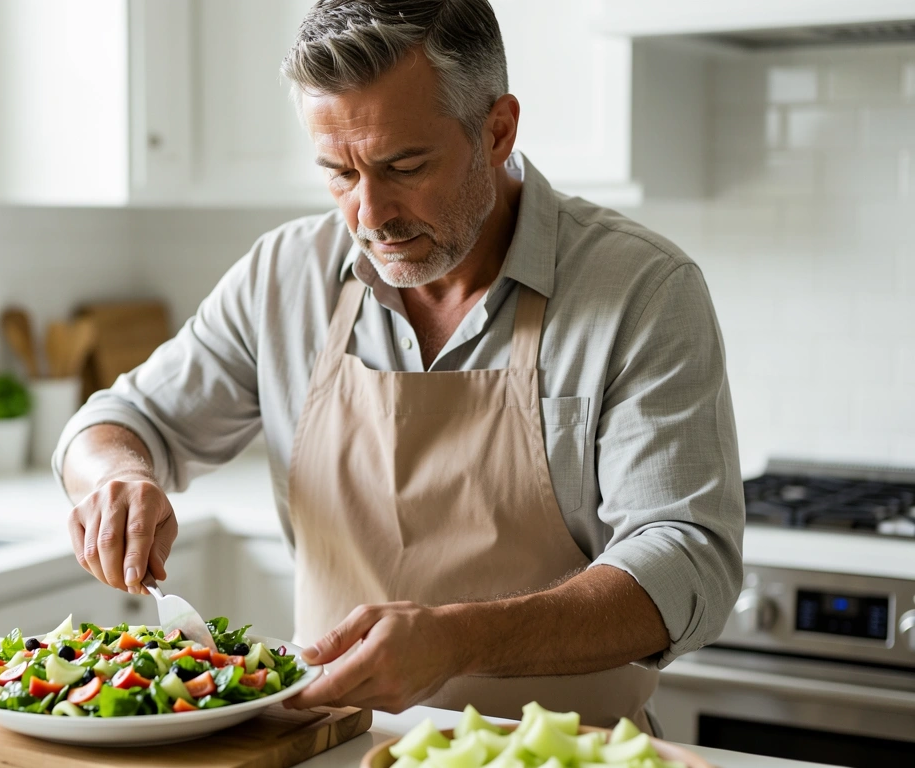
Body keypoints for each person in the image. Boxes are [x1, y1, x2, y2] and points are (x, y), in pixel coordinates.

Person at [54, 0, 744, 731]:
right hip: (337, 749)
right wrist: (117, 480)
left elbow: (687, 561)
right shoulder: (285, 277)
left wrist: (458, 641)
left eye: (403, 166)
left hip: (567, 752)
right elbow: (120, 421)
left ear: (498, 129)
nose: (369, 214)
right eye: (338, 173)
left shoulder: (642, 290)